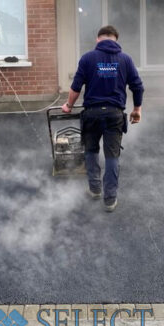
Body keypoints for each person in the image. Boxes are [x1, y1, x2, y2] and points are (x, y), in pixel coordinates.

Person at [62, 25, 143, 212]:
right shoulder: (125, 59)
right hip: (114, 114)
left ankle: (95, 189)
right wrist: (137, 109)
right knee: (112, 155)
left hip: (92, 113)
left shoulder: (88, 58)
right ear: (115, 39)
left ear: (98, 39)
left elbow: (76, 86)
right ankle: (110, 199)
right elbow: (138, 87)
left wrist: (68, 105)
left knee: (91, 151)